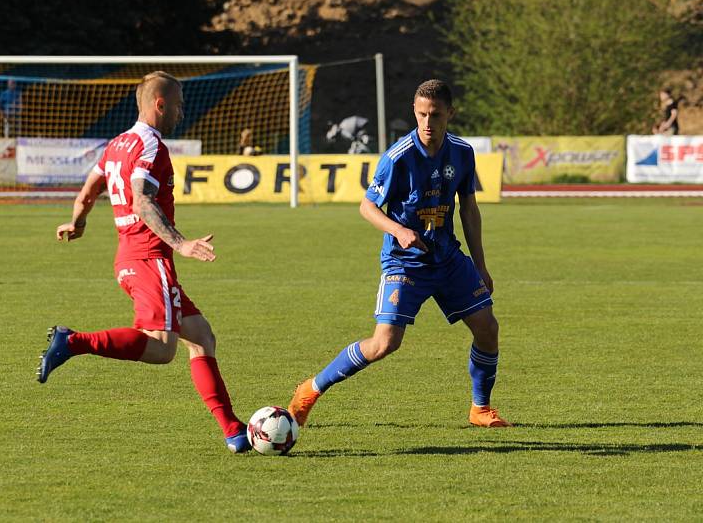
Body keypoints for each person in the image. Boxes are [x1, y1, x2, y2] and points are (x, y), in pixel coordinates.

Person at [38, 71, 251, 453]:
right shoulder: (152, 147)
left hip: (130, 255)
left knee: (201, 337)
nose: (182, 113)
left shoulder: (117, 144)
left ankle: (233, 429)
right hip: (149, 257)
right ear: (160, 104)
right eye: (179, 105)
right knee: (162, 348)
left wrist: (77, 221)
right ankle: (73, 341)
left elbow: (89, 191)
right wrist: (181, 243)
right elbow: (142, 199)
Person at [289, 79, 512, 429]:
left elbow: (469, 208)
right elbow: (367, 207)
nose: (427, 122)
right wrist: (398, 230)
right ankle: (310, 390)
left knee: (487, 328)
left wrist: (480, 265)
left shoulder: (462, 153)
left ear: (450, 114)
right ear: (414, 111)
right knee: (384, 343)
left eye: (435, 115)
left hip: (447, 258)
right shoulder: (398, 157)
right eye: (421, 114)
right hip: (405, 262)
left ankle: (480, 408)